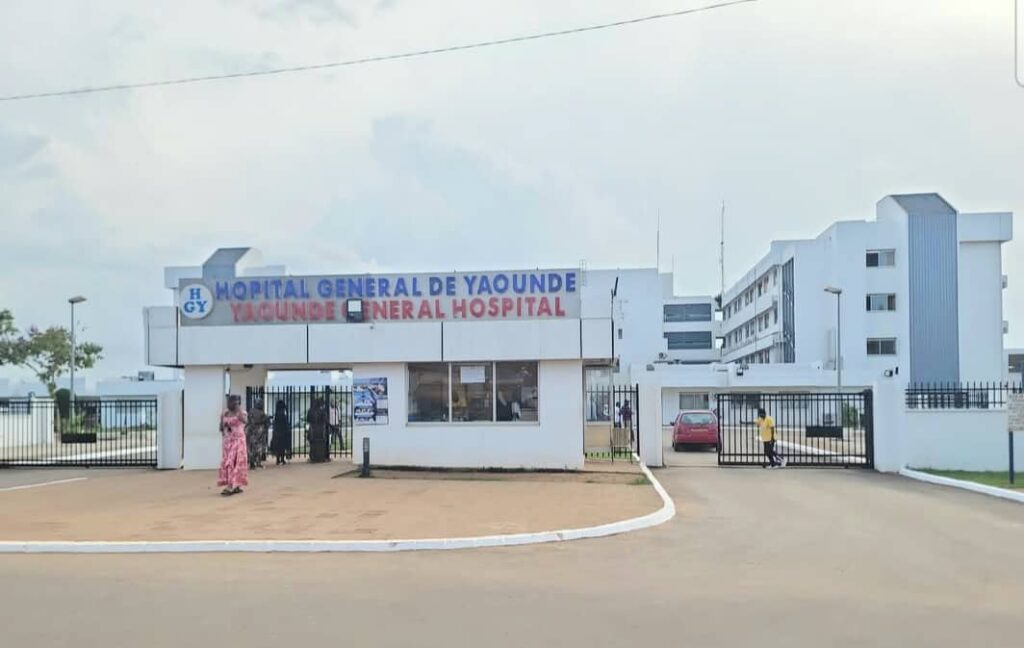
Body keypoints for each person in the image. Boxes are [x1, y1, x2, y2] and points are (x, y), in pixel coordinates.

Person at [217, 395, 249, 496]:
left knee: (236, 462)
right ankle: (233, 484)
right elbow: (221, 428)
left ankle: (232, 486)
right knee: (228, 462)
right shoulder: (225, 414)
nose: (232, 404)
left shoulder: (241, 413)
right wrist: (225, 425)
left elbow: (245, 421)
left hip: (239, 441)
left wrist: (238, 411)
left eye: (235, 402)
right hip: (228, 441)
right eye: (230, 402)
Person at [245, 398, 270, 470]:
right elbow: (266, 423)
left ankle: (252, 463)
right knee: (259, 448)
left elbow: (248, 421)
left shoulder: (251, 411)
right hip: (259, 432)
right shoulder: (262, 413)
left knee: (251, 448)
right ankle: (258, 463)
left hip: (251, 432)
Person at [306, 398, 329, 463]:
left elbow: (308, 420)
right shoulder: (323, 411)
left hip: (313, 429)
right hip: (321, 430)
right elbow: (326, 421)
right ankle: (320, 457)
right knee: (321, 444)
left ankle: (313, 457)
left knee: (313, 444)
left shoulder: (310, 411)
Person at [270, 399, 292, 465]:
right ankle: (282, 459)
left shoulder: (276, 414)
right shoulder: (282, 414)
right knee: (282, 447)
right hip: (282, 432)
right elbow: (285, 423)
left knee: (278, 446)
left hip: (277, 432)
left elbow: (274, 424)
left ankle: (278, 459)